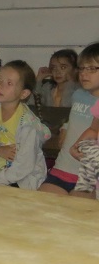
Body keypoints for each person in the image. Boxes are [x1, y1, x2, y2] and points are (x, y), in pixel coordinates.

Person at [0, 60, 50, 189]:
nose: (0, 86)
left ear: (23, 94)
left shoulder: (28, 125)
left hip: (25, 181)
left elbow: (24, 166)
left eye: (9, 83)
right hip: (2, 176)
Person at [39, 45, 99, 196]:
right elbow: (75, 118)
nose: (84, 73)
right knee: (40, 205)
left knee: (75, 213)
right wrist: (65, 127)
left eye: (92, 68)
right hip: (63, 168)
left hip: (87, 176)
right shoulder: (78, 94)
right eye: (82, 68)